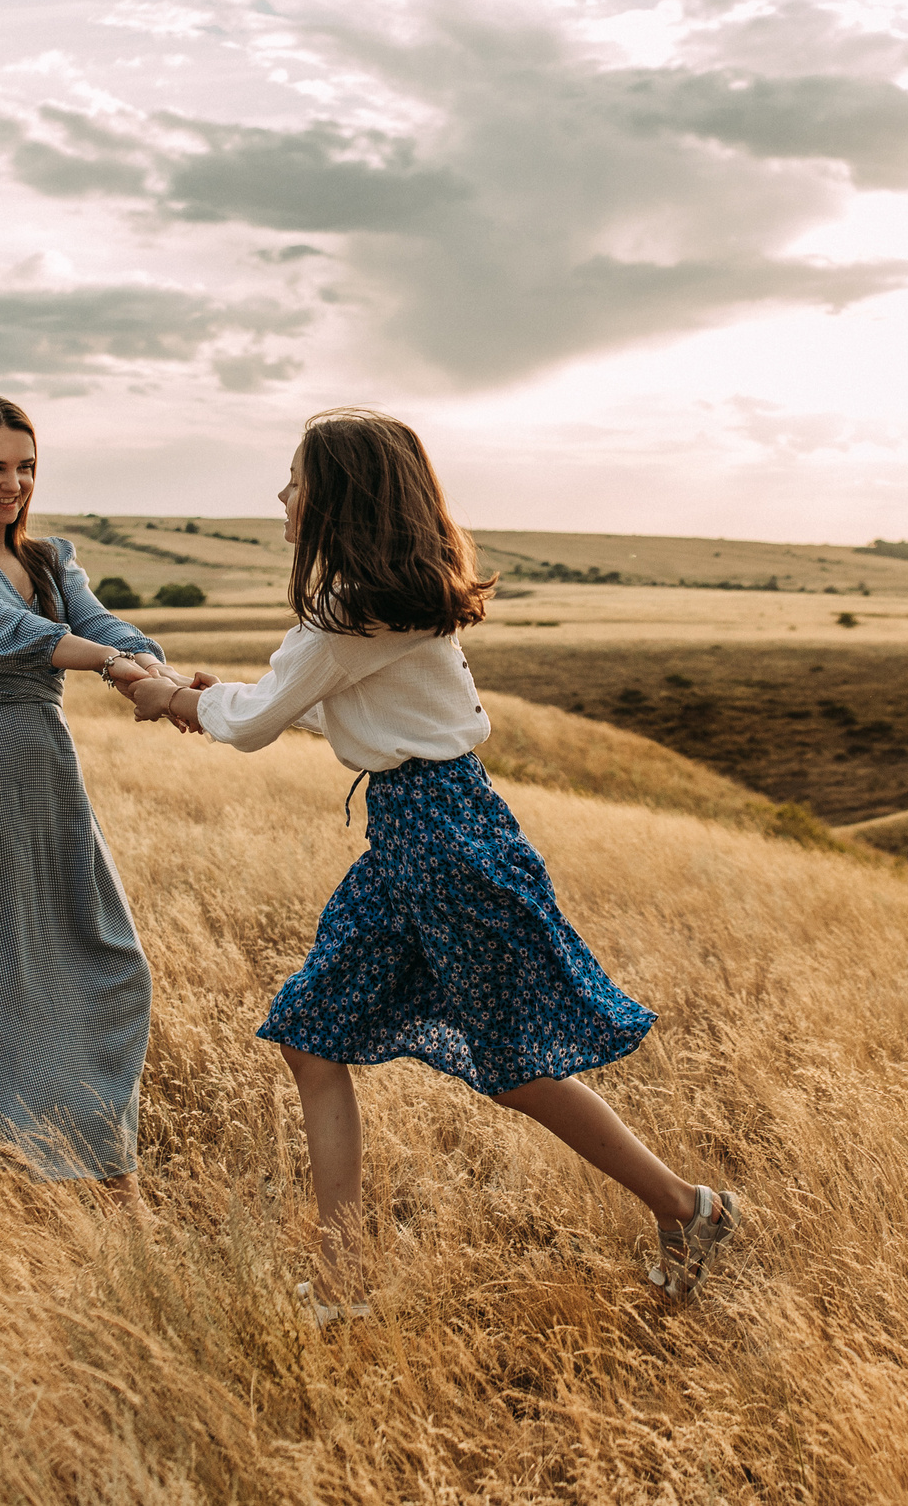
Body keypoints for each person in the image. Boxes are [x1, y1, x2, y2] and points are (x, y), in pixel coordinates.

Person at [117, 407, 741, 1308]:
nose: (282, 495)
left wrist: (174, 698)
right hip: (430, 832)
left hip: (437, 844)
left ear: (339, 498)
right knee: (312, 1035)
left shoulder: (350, 611)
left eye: (295, 481)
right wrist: (218, 696)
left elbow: (254, 724)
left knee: (513, 1062)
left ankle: (689, 1207)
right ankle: (345, 1280)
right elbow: (344, 706)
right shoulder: (392, 601)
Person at [0, 392, 179, 1190]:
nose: (13, 484)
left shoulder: (49, 560)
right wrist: (113, 666)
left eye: (26, 467)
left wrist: (162, 673)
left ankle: (100, 1162)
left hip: (49, 773)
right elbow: (9, 632)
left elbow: (103, 625)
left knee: (113, 966)